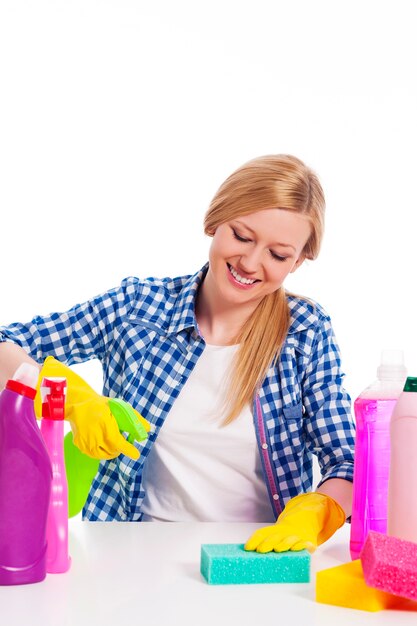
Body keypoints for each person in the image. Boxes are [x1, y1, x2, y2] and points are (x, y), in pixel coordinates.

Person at [0, 154, 355, 553]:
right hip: (131, 557)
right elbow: (5, 344)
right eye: (242, 235)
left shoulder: (305, 330)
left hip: (257, 559)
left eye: (278, 255)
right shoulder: (137, 308)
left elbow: (347, 462)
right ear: (214, 222)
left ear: (299, 260)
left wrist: (318, 511)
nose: (251, 263)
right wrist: (73, 399)